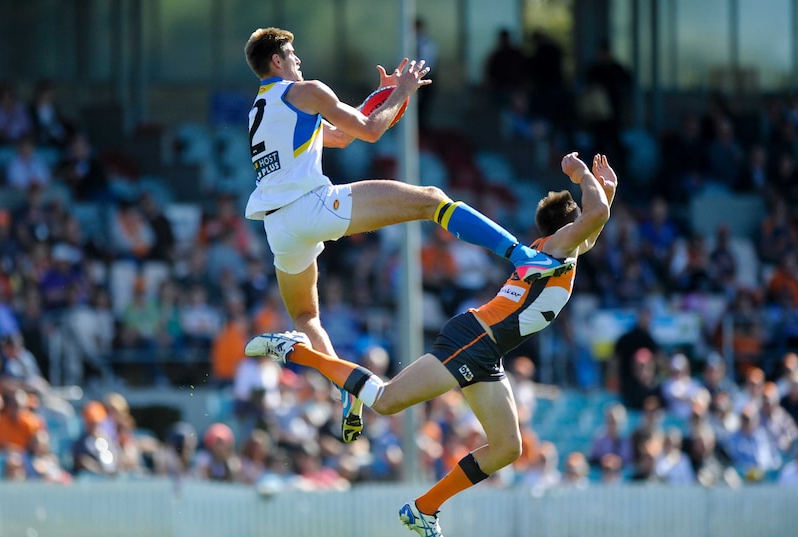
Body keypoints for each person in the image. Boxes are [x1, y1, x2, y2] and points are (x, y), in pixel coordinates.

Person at [247, 151, 617, 537]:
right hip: (475, 339)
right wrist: (581, 174)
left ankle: (425, 508)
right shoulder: (559, 245)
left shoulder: (567, 249)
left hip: (486, 351)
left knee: (508, 447)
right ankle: (299, 351)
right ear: (571, 225)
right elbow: (594, 218)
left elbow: (595, 221)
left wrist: (608, 190)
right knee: (386, 402)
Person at [243, 27, 574, 445]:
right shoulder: (306, 90)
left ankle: (349, 388)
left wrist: (382, 98)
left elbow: (341, 135)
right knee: (432, 199)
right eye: (292, 55)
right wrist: (401, 93)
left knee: (307, 318)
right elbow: (367, 132)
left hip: (279, 230)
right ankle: (522, 255)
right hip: (312, 207)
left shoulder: (259, 108)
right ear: (278, 60)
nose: (298, 62)